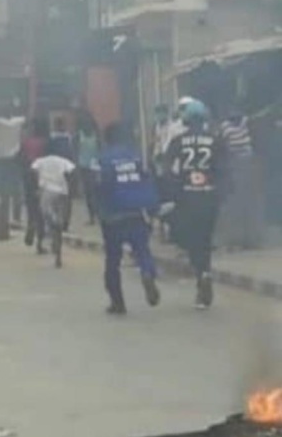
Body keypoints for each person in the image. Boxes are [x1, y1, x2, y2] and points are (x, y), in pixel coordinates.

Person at [164, 99, 228, 310]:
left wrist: (174, 191)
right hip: (209, 199)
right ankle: (205, 273)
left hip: (187, 198)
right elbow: (224, 170)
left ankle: (201, 274)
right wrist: (219, 192)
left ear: (186, 120)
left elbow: (168, 169)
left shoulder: (178, 141)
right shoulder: (216, 140)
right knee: (206, 239)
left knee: (191, 241)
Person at [97, 122, 161, 315]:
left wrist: (101, 211)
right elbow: (147, 180)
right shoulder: (135, 157)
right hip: (137, 212)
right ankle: (147, 274)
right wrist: (152, 209)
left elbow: (99, 187)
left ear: (106, 139)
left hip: (114, 216)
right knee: (142, 251)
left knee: (113, 260)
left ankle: (118, 303)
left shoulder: (103, 159)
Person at [219, 111, 261, 250]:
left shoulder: (247, 123)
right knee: (237, 205)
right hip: (235, 165)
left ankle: (250, 240)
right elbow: (222, 147)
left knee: (248, 203)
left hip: (246, 164)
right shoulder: (226, 127)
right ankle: (237, 240)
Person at [31, 145, 76, 268]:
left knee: (45, 212)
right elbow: (71, 171)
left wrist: (38, 185)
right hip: (62, 192)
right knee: (59, 222)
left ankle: (51, 224)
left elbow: (33, 170)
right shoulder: (63, 161)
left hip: (47, 191)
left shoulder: (40, 161)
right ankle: (58, 254)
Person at [21, 118, 48, 252]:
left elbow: (20, 159)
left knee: (31, 207)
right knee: (41, 210)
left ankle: (30, 226)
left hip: (28, 176)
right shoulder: (44, 143)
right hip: (41, 177)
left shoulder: (25, 143)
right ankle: (40, 242)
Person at [76, 116, 100, 225]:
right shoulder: (94, 136)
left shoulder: (82, 136)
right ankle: (93, 216)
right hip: (88, 167)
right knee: (91, 193)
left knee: (91, 193)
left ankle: (93, 216)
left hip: (89, 167)